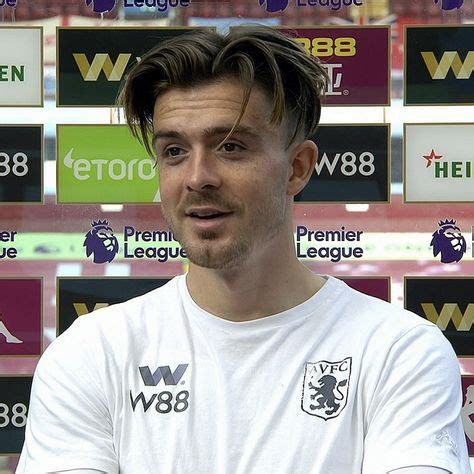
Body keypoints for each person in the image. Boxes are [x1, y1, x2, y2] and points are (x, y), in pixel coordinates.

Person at [17, 26, 471, 474]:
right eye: (174, 150)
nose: (198, 177)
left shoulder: (399, 352)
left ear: (297, 168)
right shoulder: (92, 353)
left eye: (230, 147)